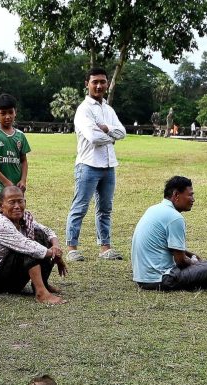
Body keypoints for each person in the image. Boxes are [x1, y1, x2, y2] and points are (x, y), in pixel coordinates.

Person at [66, 68, 126, 262]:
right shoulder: (84, 110)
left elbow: (123, 132)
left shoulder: (108, 110)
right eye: (95, 82)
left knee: (105, 208)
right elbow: (93, 137)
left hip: (108, 166)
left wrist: (107, 129)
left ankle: (105, 248)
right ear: (87, 84)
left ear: (107, 83)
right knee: (80, 207)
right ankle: (71, 248)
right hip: (88, 165)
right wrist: (112, 136)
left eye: (102, 82)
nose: (99, 86)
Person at [131, 176, 207, 292]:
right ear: (176, 195)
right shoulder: (175, 218)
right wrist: (194, 262)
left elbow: (166, 245)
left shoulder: (154, 209)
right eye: (190, 195)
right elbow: (181, 261)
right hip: (161, 280)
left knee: (202, 265)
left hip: (142, 279)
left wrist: (191, 255)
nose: (193, 199)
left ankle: (200, 282)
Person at [0, 186, 66, 305]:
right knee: (28, 248)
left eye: (20, 201)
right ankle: (41, 293)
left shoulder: (24, 218)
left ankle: (42, 284)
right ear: (1, 206)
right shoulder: (1, 224)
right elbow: (27, 246)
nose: (17, 206)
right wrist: (55, 255)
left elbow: (48, 231)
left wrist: (56, 247)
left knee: (40, 235)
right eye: (12, 202)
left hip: (12, 276)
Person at [0, 93, 30, 194]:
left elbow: (24, 161)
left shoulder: (20, 135)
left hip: (18, 185)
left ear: (15, 112)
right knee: (7, 206)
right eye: (3, 113)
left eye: (10, 112)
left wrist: (23, 180)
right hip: (1, 184)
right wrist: (5, 181)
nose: (8, 116)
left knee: (17, 207)